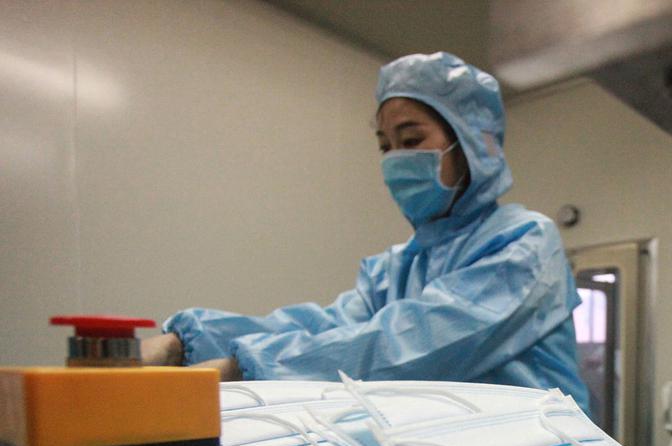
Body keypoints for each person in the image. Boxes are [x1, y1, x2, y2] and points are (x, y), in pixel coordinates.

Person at [142, 52, 589, 412]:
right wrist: (188, 342)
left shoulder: (526, 242)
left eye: (411, 141)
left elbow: (410, 344)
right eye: (384, 145)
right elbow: (325, 325)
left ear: (474, 144)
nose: (395, 159)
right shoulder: (395, 267)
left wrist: (247, 366)